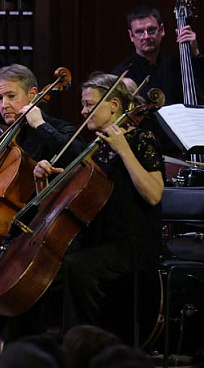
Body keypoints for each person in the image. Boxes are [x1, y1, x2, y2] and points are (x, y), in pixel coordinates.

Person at [34, 73, 164, 331]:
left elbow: (153, 194)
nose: (83, 111)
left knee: (77, 266)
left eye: (89, 104)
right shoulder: (94, 147)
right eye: (83, 105)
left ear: (114, 105)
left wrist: (123, 150)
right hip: (96, 240)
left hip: (130, 244)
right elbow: (59, 206)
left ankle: (83, 343)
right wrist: (42, 181)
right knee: (39, 267)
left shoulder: (142, 139)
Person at [0, 65, 83, 182]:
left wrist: (40, 125)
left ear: (32, 94)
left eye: (11, 96)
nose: (4, 105)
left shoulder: (59, 127)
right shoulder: (0, 139)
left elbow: (79, 157)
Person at [112, 5, 200, 107]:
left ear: (162, 30)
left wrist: (195, 53)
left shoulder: (176, 66)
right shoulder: (122, 73)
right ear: (131, 36)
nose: (146, 36)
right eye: (139, 32)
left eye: (151, 30)